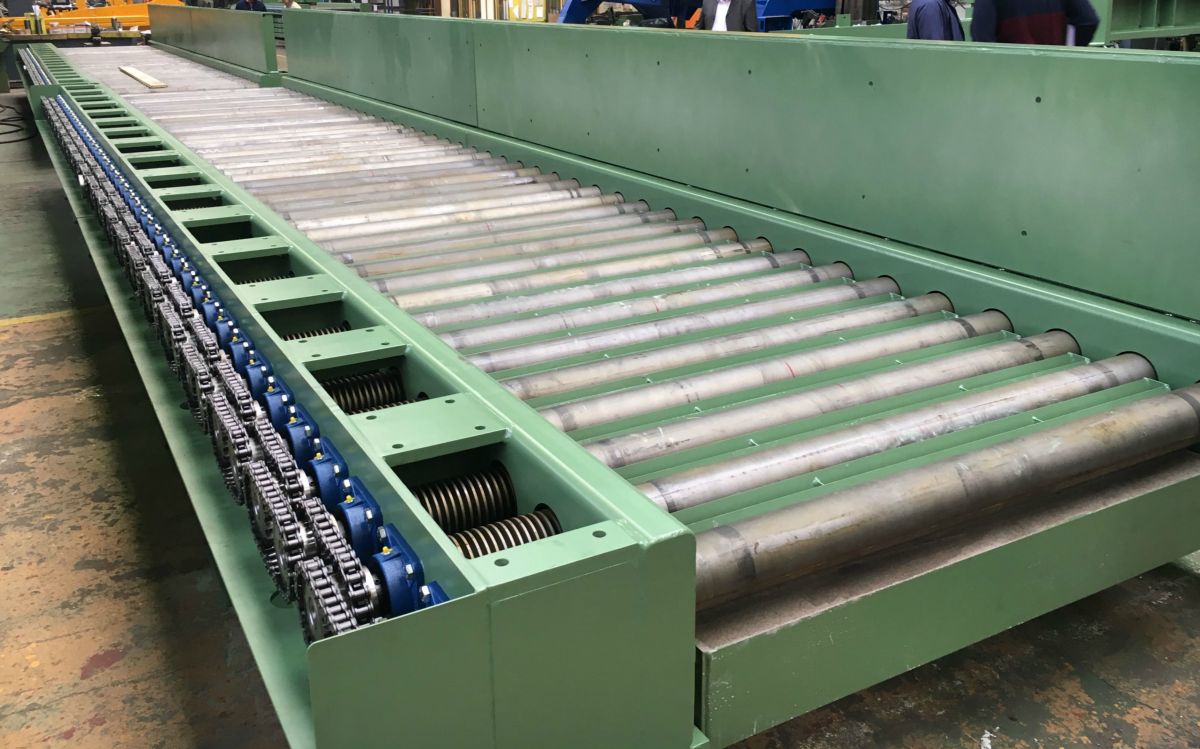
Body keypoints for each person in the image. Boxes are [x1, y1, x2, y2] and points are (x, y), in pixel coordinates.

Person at [971, 0, 1099, 45]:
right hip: (1053, 79)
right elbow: (1088, 20)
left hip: (1010, 82)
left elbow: (982, 39)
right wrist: (1065, 54)